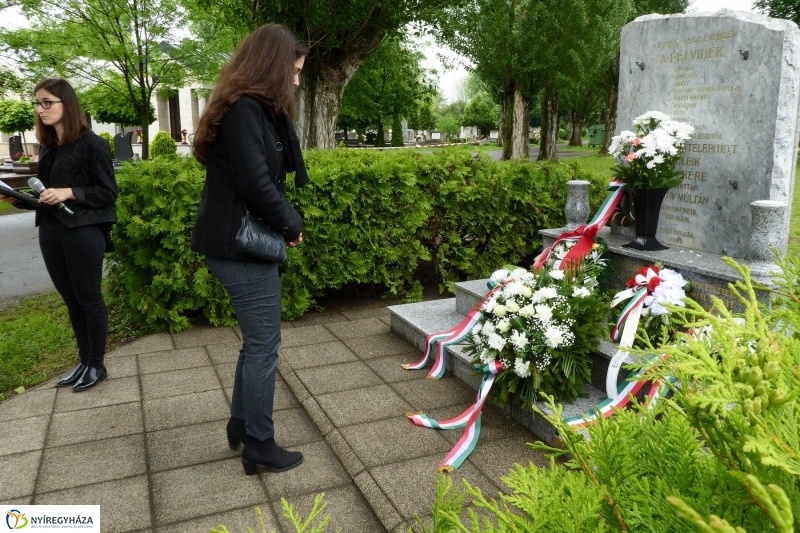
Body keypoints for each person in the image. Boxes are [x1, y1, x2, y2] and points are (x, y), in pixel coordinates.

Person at [191, 23, 309, 475]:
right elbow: (257, 185)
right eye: (294, 71)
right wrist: (291, 225)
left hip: (232, 245)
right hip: (239, 247)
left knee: (254, 345)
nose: (297, 81)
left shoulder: (250, 109)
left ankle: (241, 424)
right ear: (273, 67)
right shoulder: (246, 111)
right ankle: (260, 443)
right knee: (263, 347)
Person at [0, 78, 117, 391]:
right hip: (51, 232)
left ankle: (97, 364)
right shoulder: (49, 149)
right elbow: (46, 196)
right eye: (38, 103)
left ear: (68, 104)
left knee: (89, 300)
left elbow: (107, 193)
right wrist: (21, 199)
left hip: (83, 232)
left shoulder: (94, 144)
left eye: (47, 102)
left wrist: (68, 192)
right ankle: (84, 360)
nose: (41, 109)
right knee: (71, 301)